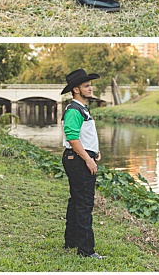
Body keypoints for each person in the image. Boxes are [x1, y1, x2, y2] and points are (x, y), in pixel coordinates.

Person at [61, 68, 105, 259]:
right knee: (84, 203)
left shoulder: (81, 109)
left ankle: (71, 241)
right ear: (76, 89)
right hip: (78, 159)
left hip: (80, 157)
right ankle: (86, 250)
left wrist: (95, 150)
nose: (90, 88)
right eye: (86, 86)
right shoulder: (74, 110)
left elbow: (83, 135)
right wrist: (88, 159)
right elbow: (72, 138)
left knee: (76, 200)